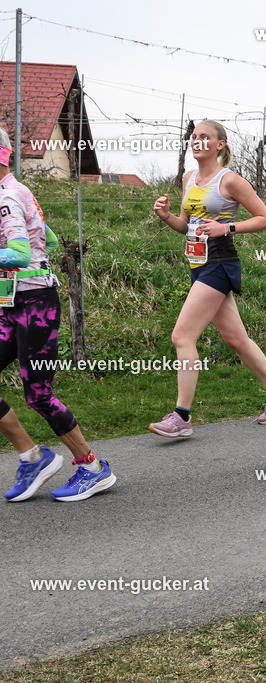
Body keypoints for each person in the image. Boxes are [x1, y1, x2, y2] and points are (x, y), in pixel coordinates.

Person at [149, 120, 266, 437]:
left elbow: (265, 219)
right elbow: (184, 226)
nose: (197, 140)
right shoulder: (189, 179)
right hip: (198, 263)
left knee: (182, 337)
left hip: (220, 261)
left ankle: (181, 417)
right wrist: (166, 217)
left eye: (205, 137)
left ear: (220, 145)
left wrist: (226, 227)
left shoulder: (229, 181)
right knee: (236, 339)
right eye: (194, 136)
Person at [0, 129, 116, 502]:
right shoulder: (16, 192)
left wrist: (26, 267)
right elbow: (46, 240)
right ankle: (32, 457)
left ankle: (92, 468)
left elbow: (18, 254)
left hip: (35, 307)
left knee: (38, 395)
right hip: (14, 303)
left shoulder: (6, 198)